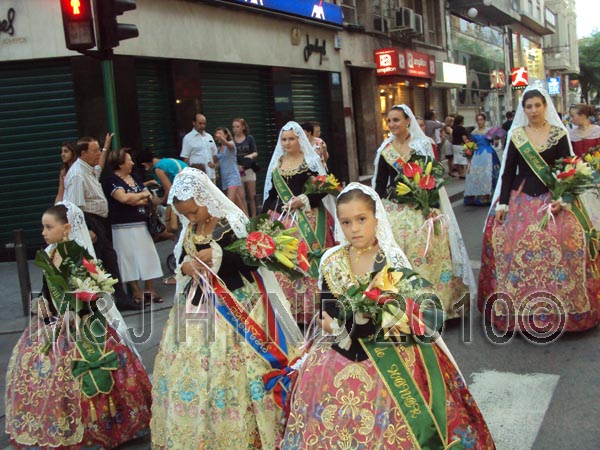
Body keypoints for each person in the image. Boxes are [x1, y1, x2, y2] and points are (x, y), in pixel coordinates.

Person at [281, 183, 496, 450]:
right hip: (337, 350)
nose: (354, 228)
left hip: (389, 347)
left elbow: (411, 308)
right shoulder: (331, 260)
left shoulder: (391, 259)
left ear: (376, 218)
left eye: (361, 219)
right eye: (346, 222)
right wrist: (334, 324)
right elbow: (326, 307)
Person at [151, 168, 302, 449]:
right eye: (186, 215)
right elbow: (181, 258)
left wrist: (218, 255)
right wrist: (187, 265)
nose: (191, 219)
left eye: (194, 212)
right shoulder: (192, 228)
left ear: (206, 198)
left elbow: (251, 260)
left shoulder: (231, 223)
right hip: (197, 307)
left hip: (237, 304)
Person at [5, 202, 152, 450]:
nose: (43, 232)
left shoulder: (78, 256)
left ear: (66, 228)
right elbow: (48, 291)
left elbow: (93, 293)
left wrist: (76, 312)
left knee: (91, 371)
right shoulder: (50, 254)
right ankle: (58, 424)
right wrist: (43, 310)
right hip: (56, 324)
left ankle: (102, 427)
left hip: (84, 325)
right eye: (43, 227)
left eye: (48, 227)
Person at [478, 87, 600, 333]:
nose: (533, 110)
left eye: (537, 105)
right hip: (520, 196)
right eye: (529, 106)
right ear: (524, 110)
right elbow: (508, 170)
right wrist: (502, 203)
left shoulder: (559, 134)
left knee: (570, 239)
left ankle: (569, 307)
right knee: (505, 240)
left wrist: (563, 199)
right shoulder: (517, 136)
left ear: (546, 107)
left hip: (553, 196)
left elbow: (569, 167)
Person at [373, 104, 475, 319]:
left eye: (396, 120)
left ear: (407, 121)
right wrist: (377, 212)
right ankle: (402, 306)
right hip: (395, 209)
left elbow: (433, 178)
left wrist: (433, 207)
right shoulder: (385, 150)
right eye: (389, 121)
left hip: (422, 208)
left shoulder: (422, 145)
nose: (392, 125)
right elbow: (380, 184)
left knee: (429, 256)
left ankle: (434, 305)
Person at [262, 121, 336, 327]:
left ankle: (319, 307)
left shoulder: (310, 162)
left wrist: (302, 199)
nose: (287, 143)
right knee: (286, 266)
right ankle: (292, 309)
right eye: (284, 139)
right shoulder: (277, 165)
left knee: (310, 260)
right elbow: (271, 195)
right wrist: (261, 221)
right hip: (283, 220)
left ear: (299, 140)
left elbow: (322, 189)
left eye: (291, 139)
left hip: (310, 219)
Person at [64, 136, 140, 310]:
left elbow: (99, 167)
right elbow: (74, 206)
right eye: (95, 150)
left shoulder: (88, 169)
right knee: (97, 262)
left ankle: (118, 299)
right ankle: (101, 302)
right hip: (89, 220)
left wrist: (106, 147)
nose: (98, 153)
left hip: (97, 220)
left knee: (108, 259)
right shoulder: (77, 174)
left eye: (99, 150)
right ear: (83, 153)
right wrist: (87, 229)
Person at [103, 148, 164, 304]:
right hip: (122, 226)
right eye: (128, 160)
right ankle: (137, 292)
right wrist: (139, 196)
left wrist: (136, 198)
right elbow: (123, 198)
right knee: (128, 257)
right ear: (120, 163)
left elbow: (148, 196)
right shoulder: (111, 181)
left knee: (147, 255)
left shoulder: (134, 177)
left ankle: (150, 289)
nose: (131, 163)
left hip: (141, 223)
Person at [136, 148, 188, 286]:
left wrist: (161, 201)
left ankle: (181, 273)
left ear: (144, 164)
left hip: (181, 203)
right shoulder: (169, 161)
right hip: (190, 199)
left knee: (179, 237)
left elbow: (169, 189)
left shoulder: (158, 168)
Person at [464, 113, 501, 206]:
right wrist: (469, 156)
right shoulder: (474, 132)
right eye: (478, 120)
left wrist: (496, 141)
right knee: (477, 174)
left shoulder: (489, 131)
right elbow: (471, 145)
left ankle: (492, 196)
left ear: (484, 120)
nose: (480, 121)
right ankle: (478, 196)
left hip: (488, 153)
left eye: (481, 119)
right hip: (477, 155)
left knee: (490, 173)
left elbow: (495, 142)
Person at [214, 126, 248, 215]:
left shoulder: (230, 143)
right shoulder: (218, 149)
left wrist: (221, 139)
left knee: (229, 202)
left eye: (220, 134)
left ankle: (230, 225)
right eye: (217, 134)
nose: (218, 136)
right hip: (225, 178)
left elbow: (230, 146)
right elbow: (219, 162)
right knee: (238, 203)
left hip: (233, 177)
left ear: (225, 135)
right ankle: (247, 220)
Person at [232, 117, 259, 217]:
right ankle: (246, 217)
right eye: (233, 127)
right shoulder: (231, 141)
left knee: (252, 195)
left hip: (249, 169)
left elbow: (255, 152)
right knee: (241, 196)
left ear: (243, 127)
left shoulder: (249, 138)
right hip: (238, 170)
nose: (235, 129)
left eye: (237, 126)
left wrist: (250, 156)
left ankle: (255, 215)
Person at [180, 113, 218, 184]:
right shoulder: (188, 138)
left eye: (204, 124)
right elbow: (186, 158)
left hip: (211, 174)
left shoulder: (209, 137)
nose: (202, 126)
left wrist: (215, 165)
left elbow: (215, 153)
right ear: (194, 123)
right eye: (200, 123)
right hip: (197, 176)